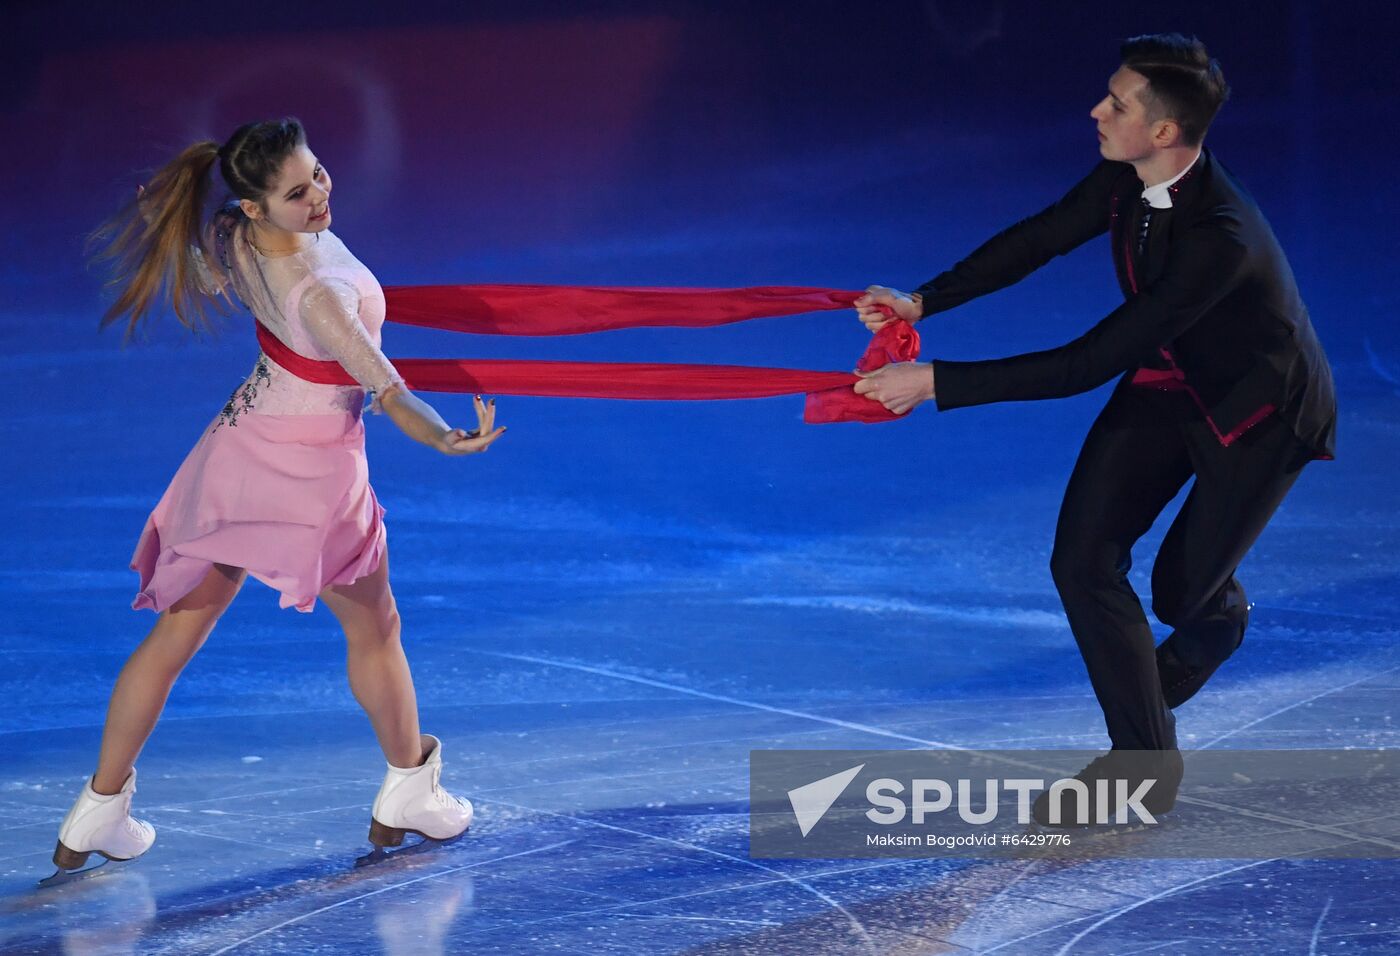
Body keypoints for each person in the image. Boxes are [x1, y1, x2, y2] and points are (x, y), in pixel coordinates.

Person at [852, 34, 1336, 825]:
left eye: (1117, 104)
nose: (1097, 110)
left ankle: (1218, 621)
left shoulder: (1221, 239)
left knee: (1184, 594)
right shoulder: (1125, 174)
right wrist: (925, 302)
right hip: (1167, 378)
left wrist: (939, 383)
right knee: (1082, 561)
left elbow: (1088, 361)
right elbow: (1041, 236)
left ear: (1165, 133)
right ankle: (1144, 763)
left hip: (1257, 410)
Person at [51, 118, 505, 877]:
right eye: (298, 192)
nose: (320, 194)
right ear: (259, 207)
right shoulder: (319, 293)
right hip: (313, 477)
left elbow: (206, 273)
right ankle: (410, 791)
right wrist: (447, 439)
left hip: (237, 452)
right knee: (377, 629)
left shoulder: (234, 233)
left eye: (319, 173)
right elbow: (388, 393)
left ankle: (97, 812)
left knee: (173, 641)